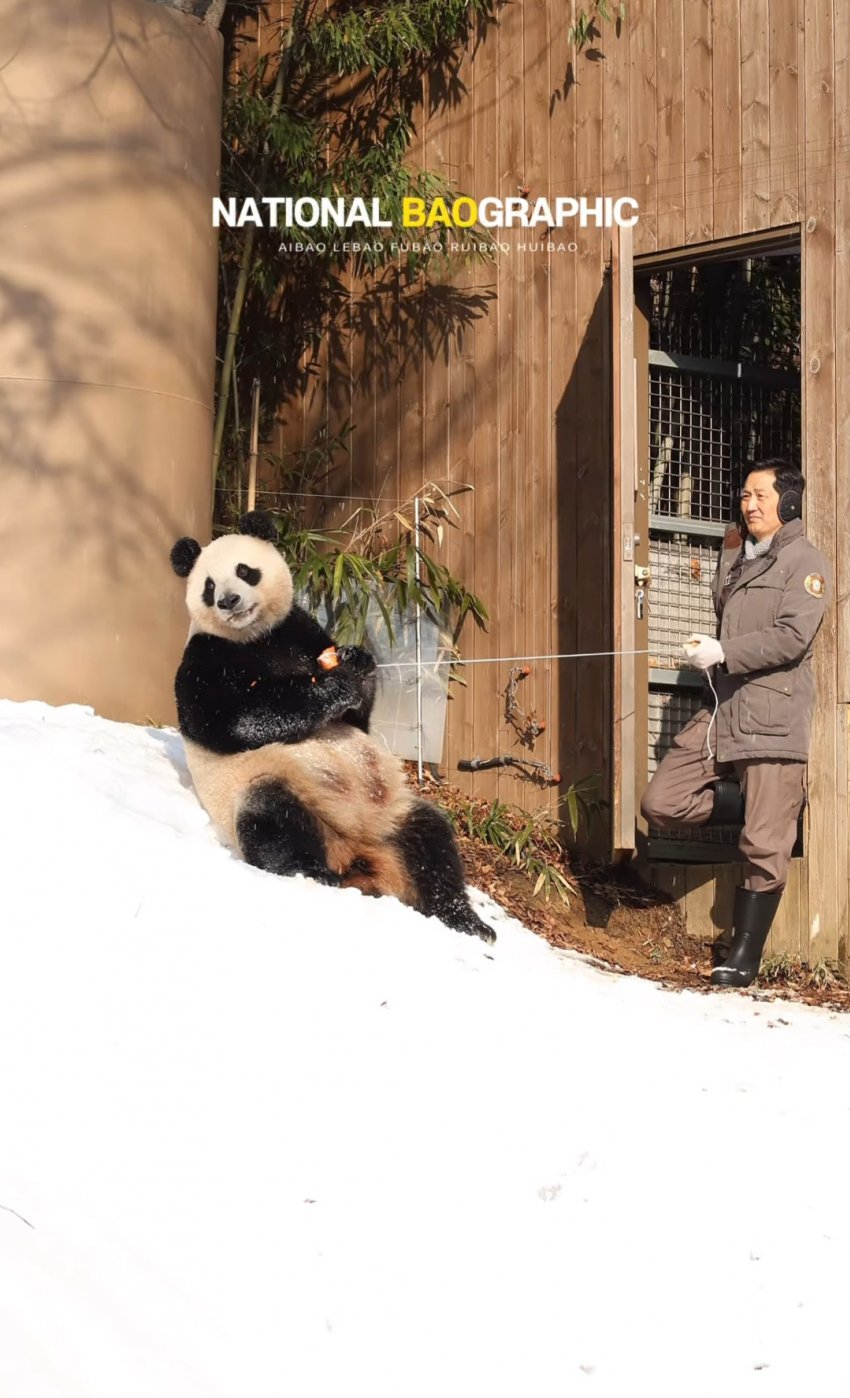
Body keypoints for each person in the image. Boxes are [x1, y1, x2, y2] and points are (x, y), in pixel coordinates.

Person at [640, 459, 831, 988]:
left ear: (787, 503)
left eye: (760, 496)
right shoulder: (733, 554)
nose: (749, 505)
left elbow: (793, 637)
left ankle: (742, 957)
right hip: (723, 708)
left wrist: (725, 650)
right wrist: (712, 650)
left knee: (764, 848)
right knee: (662, 800)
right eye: (744, 496)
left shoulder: (805, 561)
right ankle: (761, 808)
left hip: (772, 712)